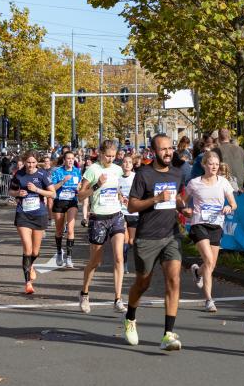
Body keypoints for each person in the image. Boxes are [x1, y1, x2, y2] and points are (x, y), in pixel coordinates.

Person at [122, 133, 185, 351]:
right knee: (143, 283)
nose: (168, 152)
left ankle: (168, 333)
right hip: (147, 237)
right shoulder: (144, 174)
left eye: (170, 148)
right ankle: (130, 317)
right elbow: (132, 206)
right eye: (163, 149)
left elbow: (176, 199)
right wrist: (156, 199)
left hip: (170, 235)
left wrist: (182, 206)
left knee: (174, 280)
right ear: (153, 152)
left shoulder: (177, 174)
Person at [77, 140, 128, 314]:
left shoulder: (117, 169)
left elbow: (119, 188)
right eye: (108, 156)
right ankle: (84, 293)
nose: (111, 159)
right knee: (96, 261)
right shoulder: (93, 170)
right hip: (98, 218)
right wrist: (97, 185)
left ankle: (118, 299)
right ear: (100, 153)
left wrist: (122, 197)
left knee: (119, 257)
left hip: (116, 216)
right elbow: (80, 195)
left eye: (114, 156)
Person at [183, 151, 237, 312]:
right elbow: (183, 201)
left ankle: (197, 272)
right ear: (204, 165)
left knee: (211, 264)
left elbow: (234, 204)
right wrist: (185, 209)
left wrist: (229, 206)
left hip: (216, 225)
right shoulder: (194, 183)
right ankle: (209, 300)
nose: (214, 167)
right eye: (211, 164)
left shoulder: (223, 182)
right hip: (199, 224)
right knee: (208, 259)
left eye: (216, 164)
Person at [8, 151, 56, 295]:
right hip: (23, 214)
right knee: (27, 250)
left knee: (35, 252)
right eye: (28, 162)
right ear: (24, 161)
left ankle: (31, 265)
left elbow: (52, 193)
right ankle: (28, 282)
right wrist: (17, 194)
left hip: (39, 215)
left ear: (37, 162)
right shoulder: (19, 174)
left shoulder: (42, 175)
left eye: (33, 162)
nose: (30, 165)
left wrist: (37, 190)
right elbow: (11, 191)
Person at [50, 151, 81, 268]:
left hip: (72, 202)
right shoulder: (58, 172)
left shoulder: (77, 171)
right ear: (64, 159)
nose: (70, 160)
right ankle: (59, 252)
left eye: (72, 158)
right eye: (68, 158)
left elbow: (79, 186)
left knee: (70, 230)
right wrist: (63, 181)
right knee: (59, 231)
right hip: (59, 202)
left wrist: (79, 188)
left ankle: (69, 257)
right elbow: (52, 188)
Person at [118, 154, 137, 273]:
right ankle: (124, 263)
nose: (127, 164)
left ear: (132, 165)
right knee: (125, 240)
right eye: (125, 162)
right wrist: (119, 196)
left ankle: (126, 256)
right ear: (122, 164)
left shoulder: (136, 177)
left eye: (129, 162)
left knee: (131, 241)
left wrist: (132, 199)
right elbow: (115, 189)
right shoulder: (118, 177)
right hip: (121, 211)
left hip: (134, 212)